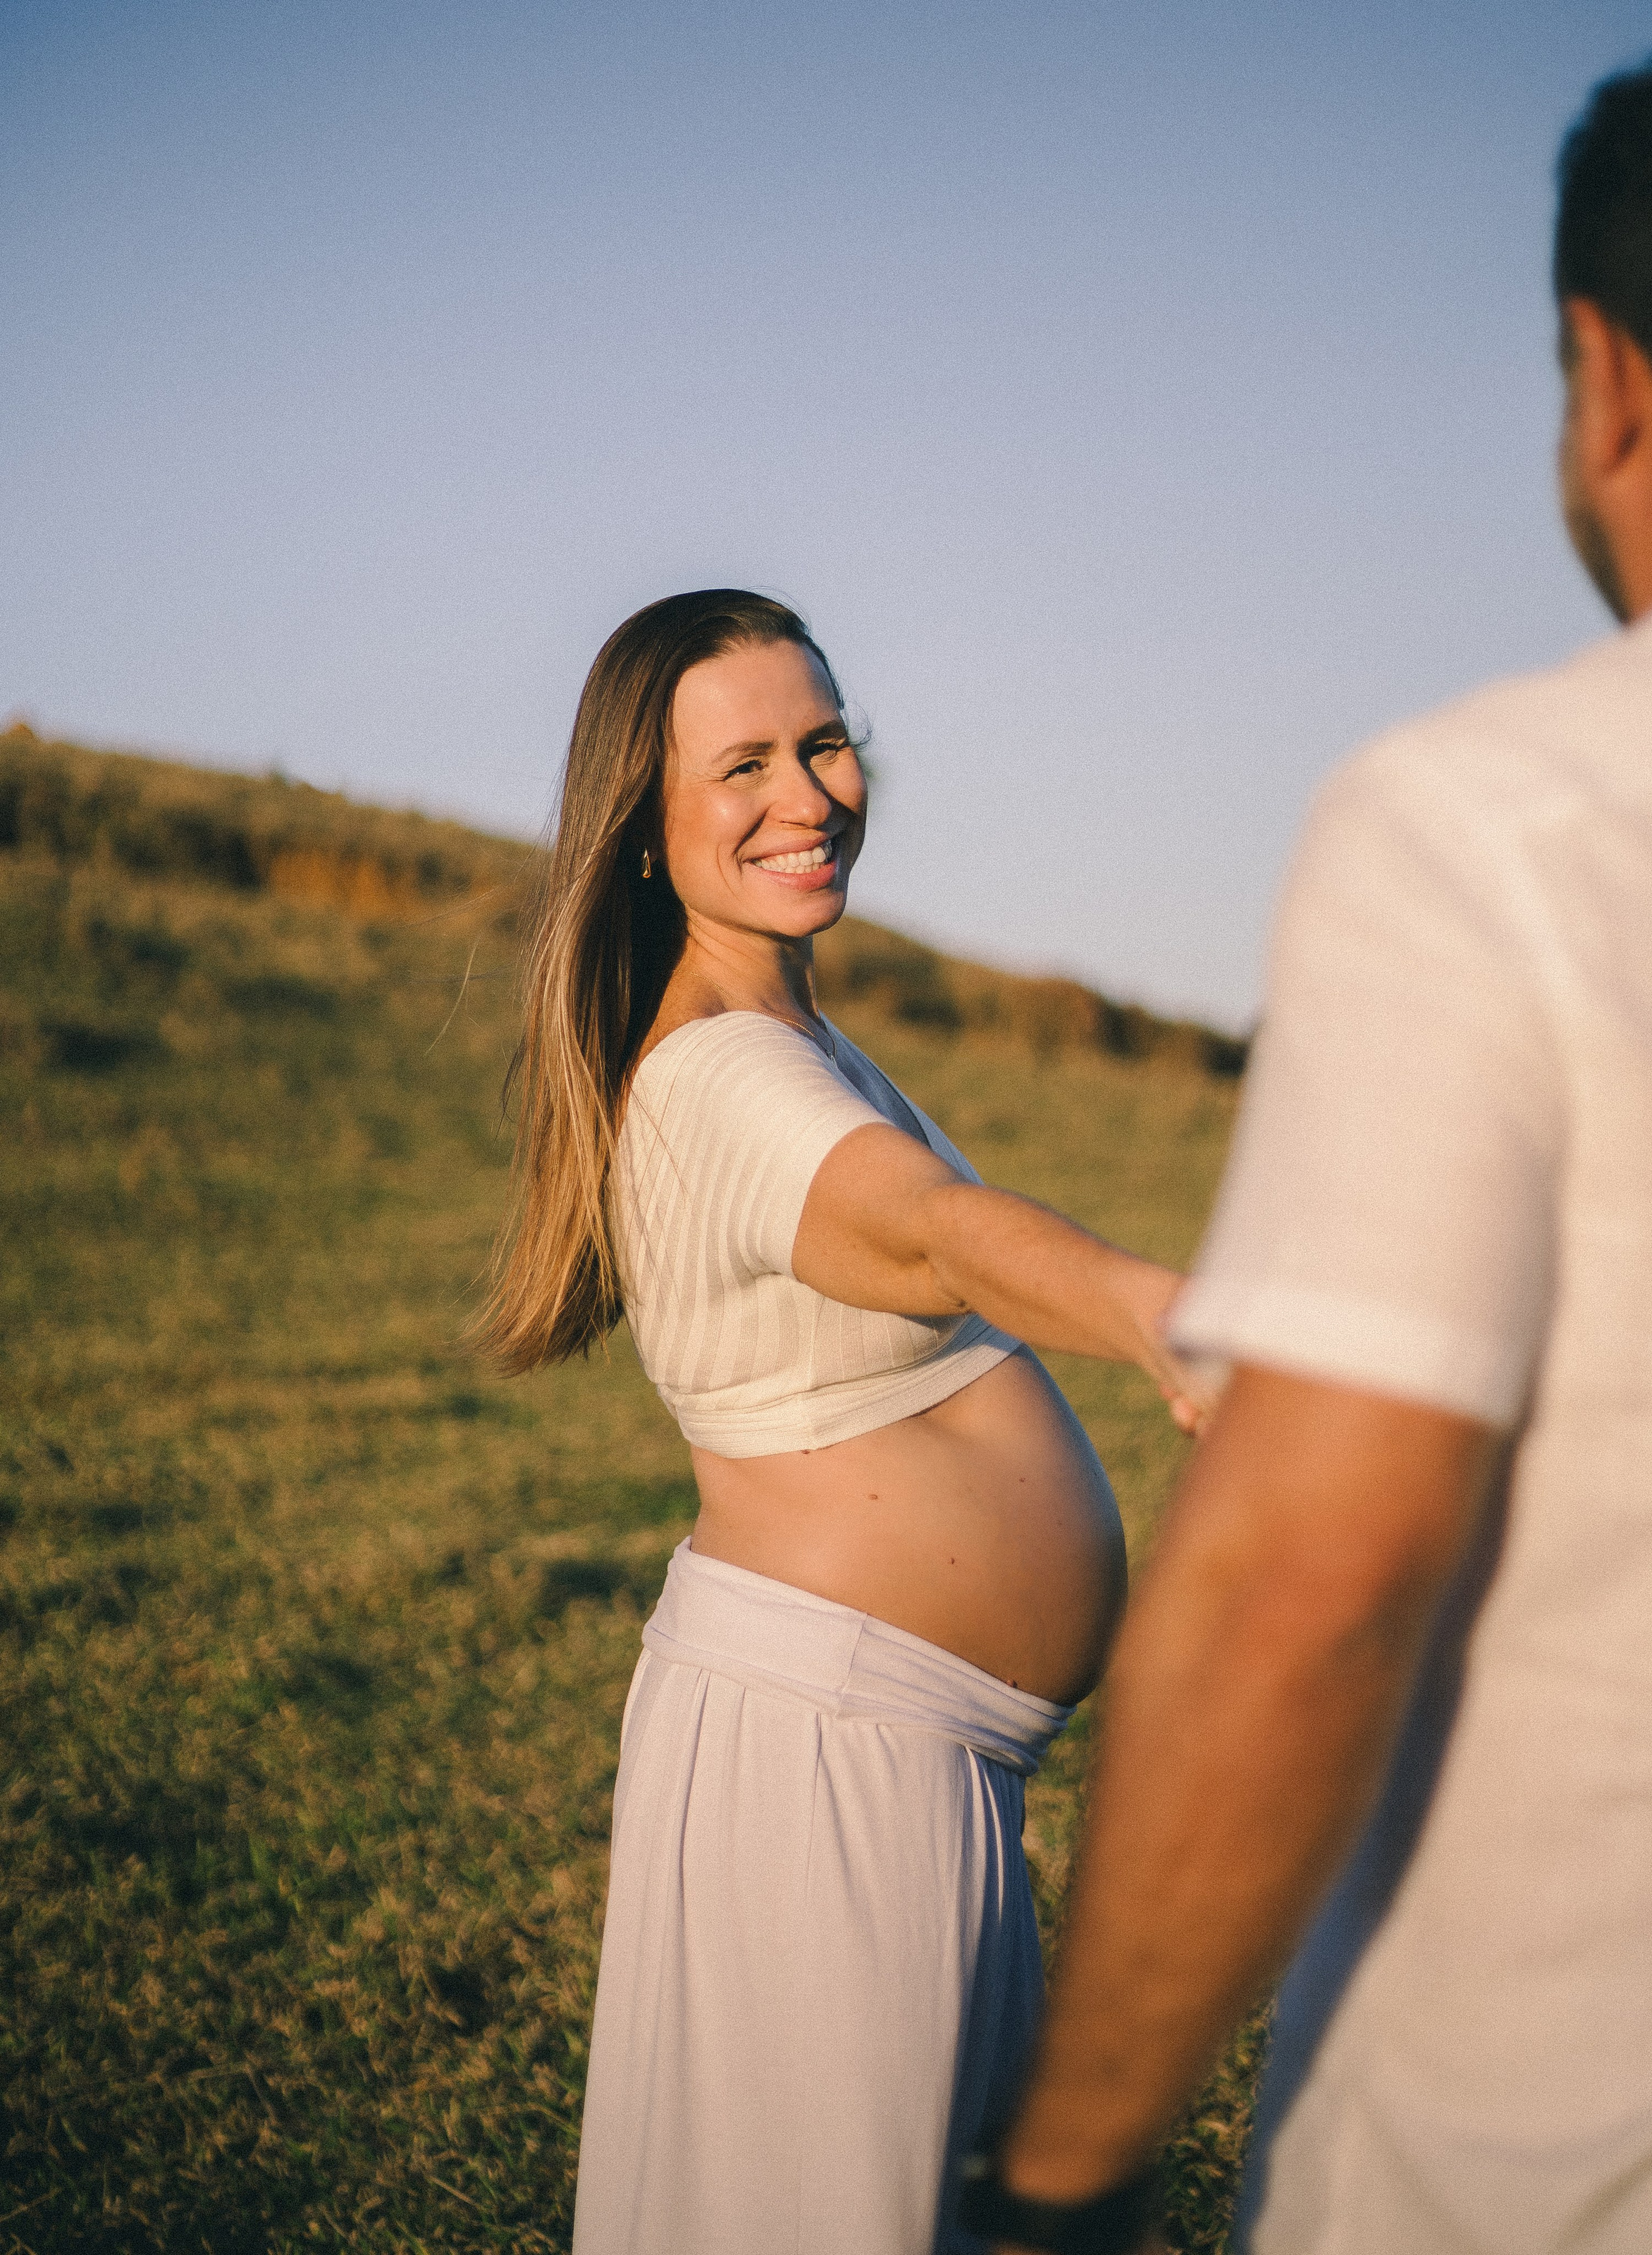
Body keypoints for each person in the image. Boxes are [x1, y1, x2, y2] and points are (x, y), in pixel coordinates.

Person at [963, 24, 1652, 2255]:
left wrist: (1065, 2175)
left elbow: (1312, 1572)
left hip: (1581, 2164)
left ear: (1604, 379)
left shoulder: (1501, 827)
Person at [479, 589, 1200, 2255]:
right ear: (644, 829)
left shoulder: (797, 1036)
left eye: (821, 742)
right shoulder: (720, 1075)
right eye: (742, 764)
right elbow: (932, 1229)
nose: (805, 794)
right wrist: (1157, 1317)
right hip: (831, 1759)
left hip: (908, 1747)